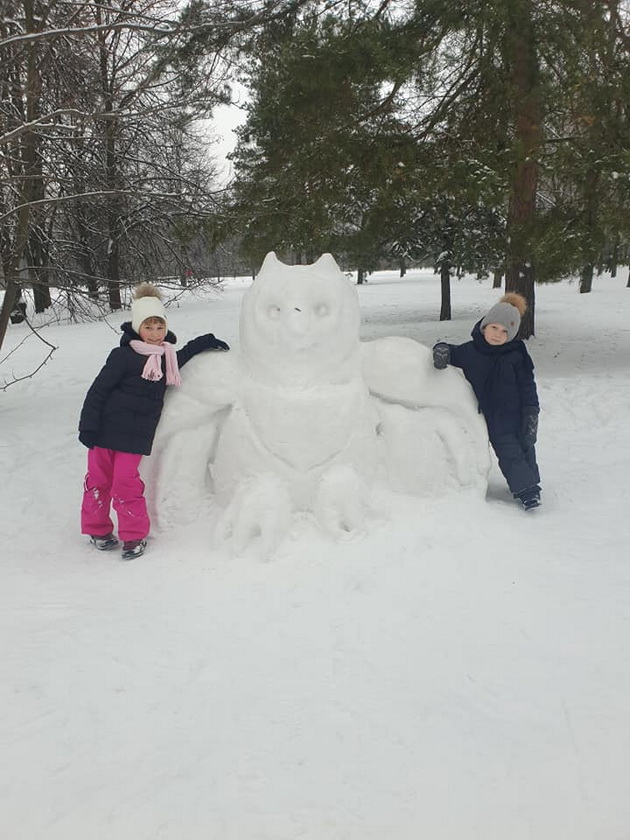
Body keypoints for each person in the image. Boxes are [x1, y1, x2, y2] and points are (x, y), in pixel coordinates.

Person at [78, 283, 229, 559]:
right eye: (149, 327)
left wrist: (204, 342)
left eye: (160, 327)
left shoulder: (166, 358)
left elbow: (183, 356)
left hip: (134, 438)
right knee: (98, 480)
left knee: (126, 483)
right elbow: (98, 391)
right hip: (104, 432)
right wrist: (87, 425)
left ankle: (134, 536)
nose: (155, 334)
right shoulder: (122, 356)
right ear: (137, 328)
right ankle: (97, 529)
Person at [432, 292, 542, 511]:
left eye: (505, 332)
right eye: (494, 328)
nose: (498, 335)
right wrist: (441, 349)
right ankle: (526, 489)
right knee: (509, 451)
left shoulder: (517, 355)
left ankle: (530, 487)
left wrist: (532, 413)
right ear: (485, 325)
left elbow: (528, 385)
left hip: (515, 412)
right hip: (488, 415)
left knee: (525, 446)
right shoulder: (472, 351)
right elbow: (452, 352)